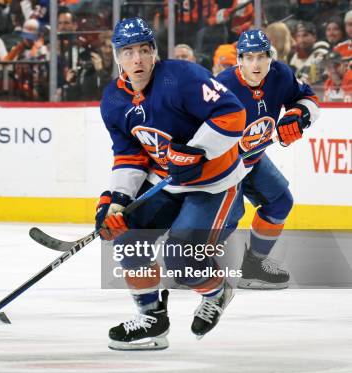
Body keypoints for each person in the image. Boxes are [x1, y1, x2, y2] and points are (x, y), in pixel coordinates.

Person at [98, 17, 247, 350]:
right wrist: (116, 202)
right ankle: (152, 319)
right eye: (128, 52)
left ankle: (217, 290)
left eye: (143, 50)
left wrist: (196, 151)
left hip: (215, 185)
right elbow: (129, 155)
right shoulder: (113, 99)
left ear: (154, 52)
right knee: (128, 238)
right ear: (117, 56)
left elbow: (233, 114)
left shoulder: (182, 77)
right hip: (166, 183)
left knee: (182, 258)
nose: (137, 59)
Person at [216, 30, 320, 289]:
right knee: (227, 219)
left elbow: (308, 99)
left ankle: (253, 267)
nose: (256, 64)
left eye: (261, 57)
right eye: (249, 57)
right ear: (239, 59)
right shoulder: (222, 85)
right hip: (222, 165)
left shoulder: (280, 75)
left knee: (280, 201)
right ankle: (186, 263)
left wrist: (298, 114)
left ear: (270, 57)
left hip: (253, 158)